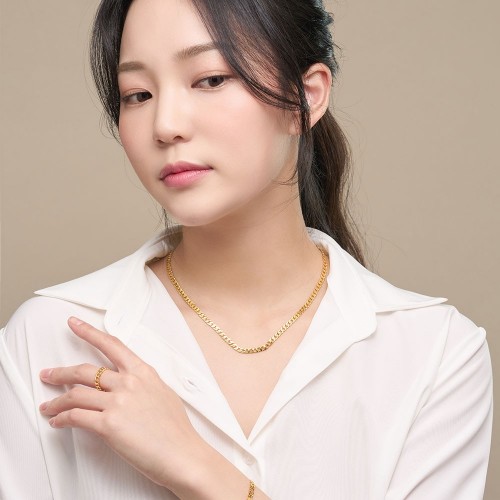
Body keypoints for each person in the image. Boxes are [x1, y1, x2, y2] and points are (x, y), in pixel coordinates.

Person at [0, 0, 492, 498]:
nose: (165, 125)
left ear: (306, 97)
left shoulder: (435, 353)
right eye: (138, 94)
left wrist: (196, 466)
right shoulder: (47, 341)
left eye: (210, 79)